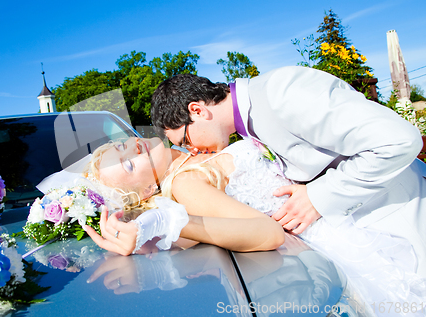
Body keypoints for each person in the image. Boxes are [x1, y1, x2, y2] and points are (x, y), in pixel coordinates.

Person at [77, 135, 426, 316]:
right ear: (149, 191)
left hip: (352, 201)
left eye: (120, 145)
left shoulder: (198, 152)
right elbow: (269, 233)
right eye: (127, 165)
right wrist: (167, 223)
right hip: (343, 225)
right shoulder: (185, 183)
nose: (133, 149)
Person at [150, 66, 426, 277]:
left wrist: (318, 196)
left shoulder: (281, 93)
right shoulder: (250, 119)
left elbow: (399, 140)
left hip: (405, 215)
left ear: (197, 110)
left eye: (185, 141)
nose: (192, 150)